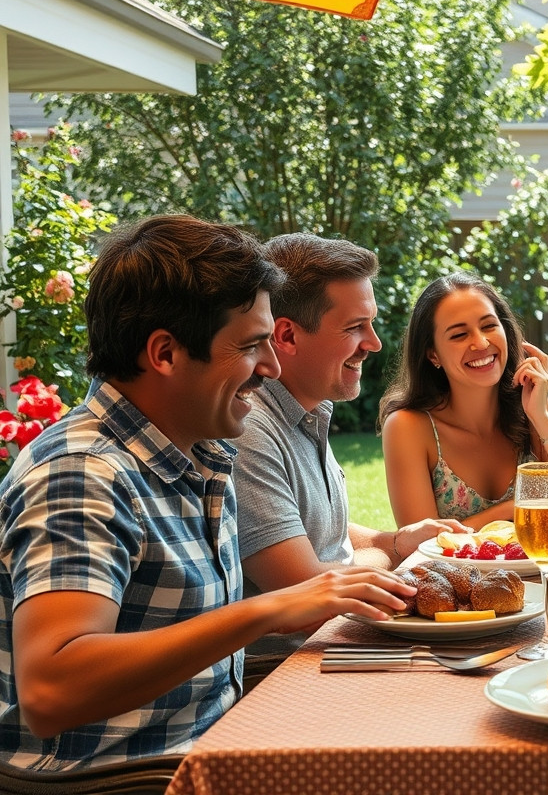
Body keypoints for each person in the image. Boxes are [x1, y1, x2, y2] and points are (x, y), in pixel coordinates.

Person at [0, 215, 414, 772]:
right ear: (165, 353)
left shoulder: (195, 454)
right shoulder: (83, 473)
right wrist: (268, 610)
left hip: (215, 748)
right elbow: (53, 690)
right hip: (122, 780)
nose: (270, 368)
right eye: (251, 346)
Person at [234, 234, 468, 667]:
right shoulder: (248, 431)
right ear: (286, 335)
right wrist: (387, 557)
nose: (375, 342)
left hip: (336, 651)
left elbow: (316, 532)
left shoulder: (307, 410)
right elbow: (308, 595)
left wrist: (395, 540)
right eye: (354, 326)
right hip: (281, 678)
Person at [380, 272, 548, 532]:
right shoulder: (408, 426)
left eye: (489, 325)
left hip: (545, 570)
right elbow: (421, 545)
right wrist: (517, 507)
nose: (480, 342)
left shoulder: (540, 405)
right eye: (459, 335)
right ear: (433, 354)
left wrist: (542, 418)